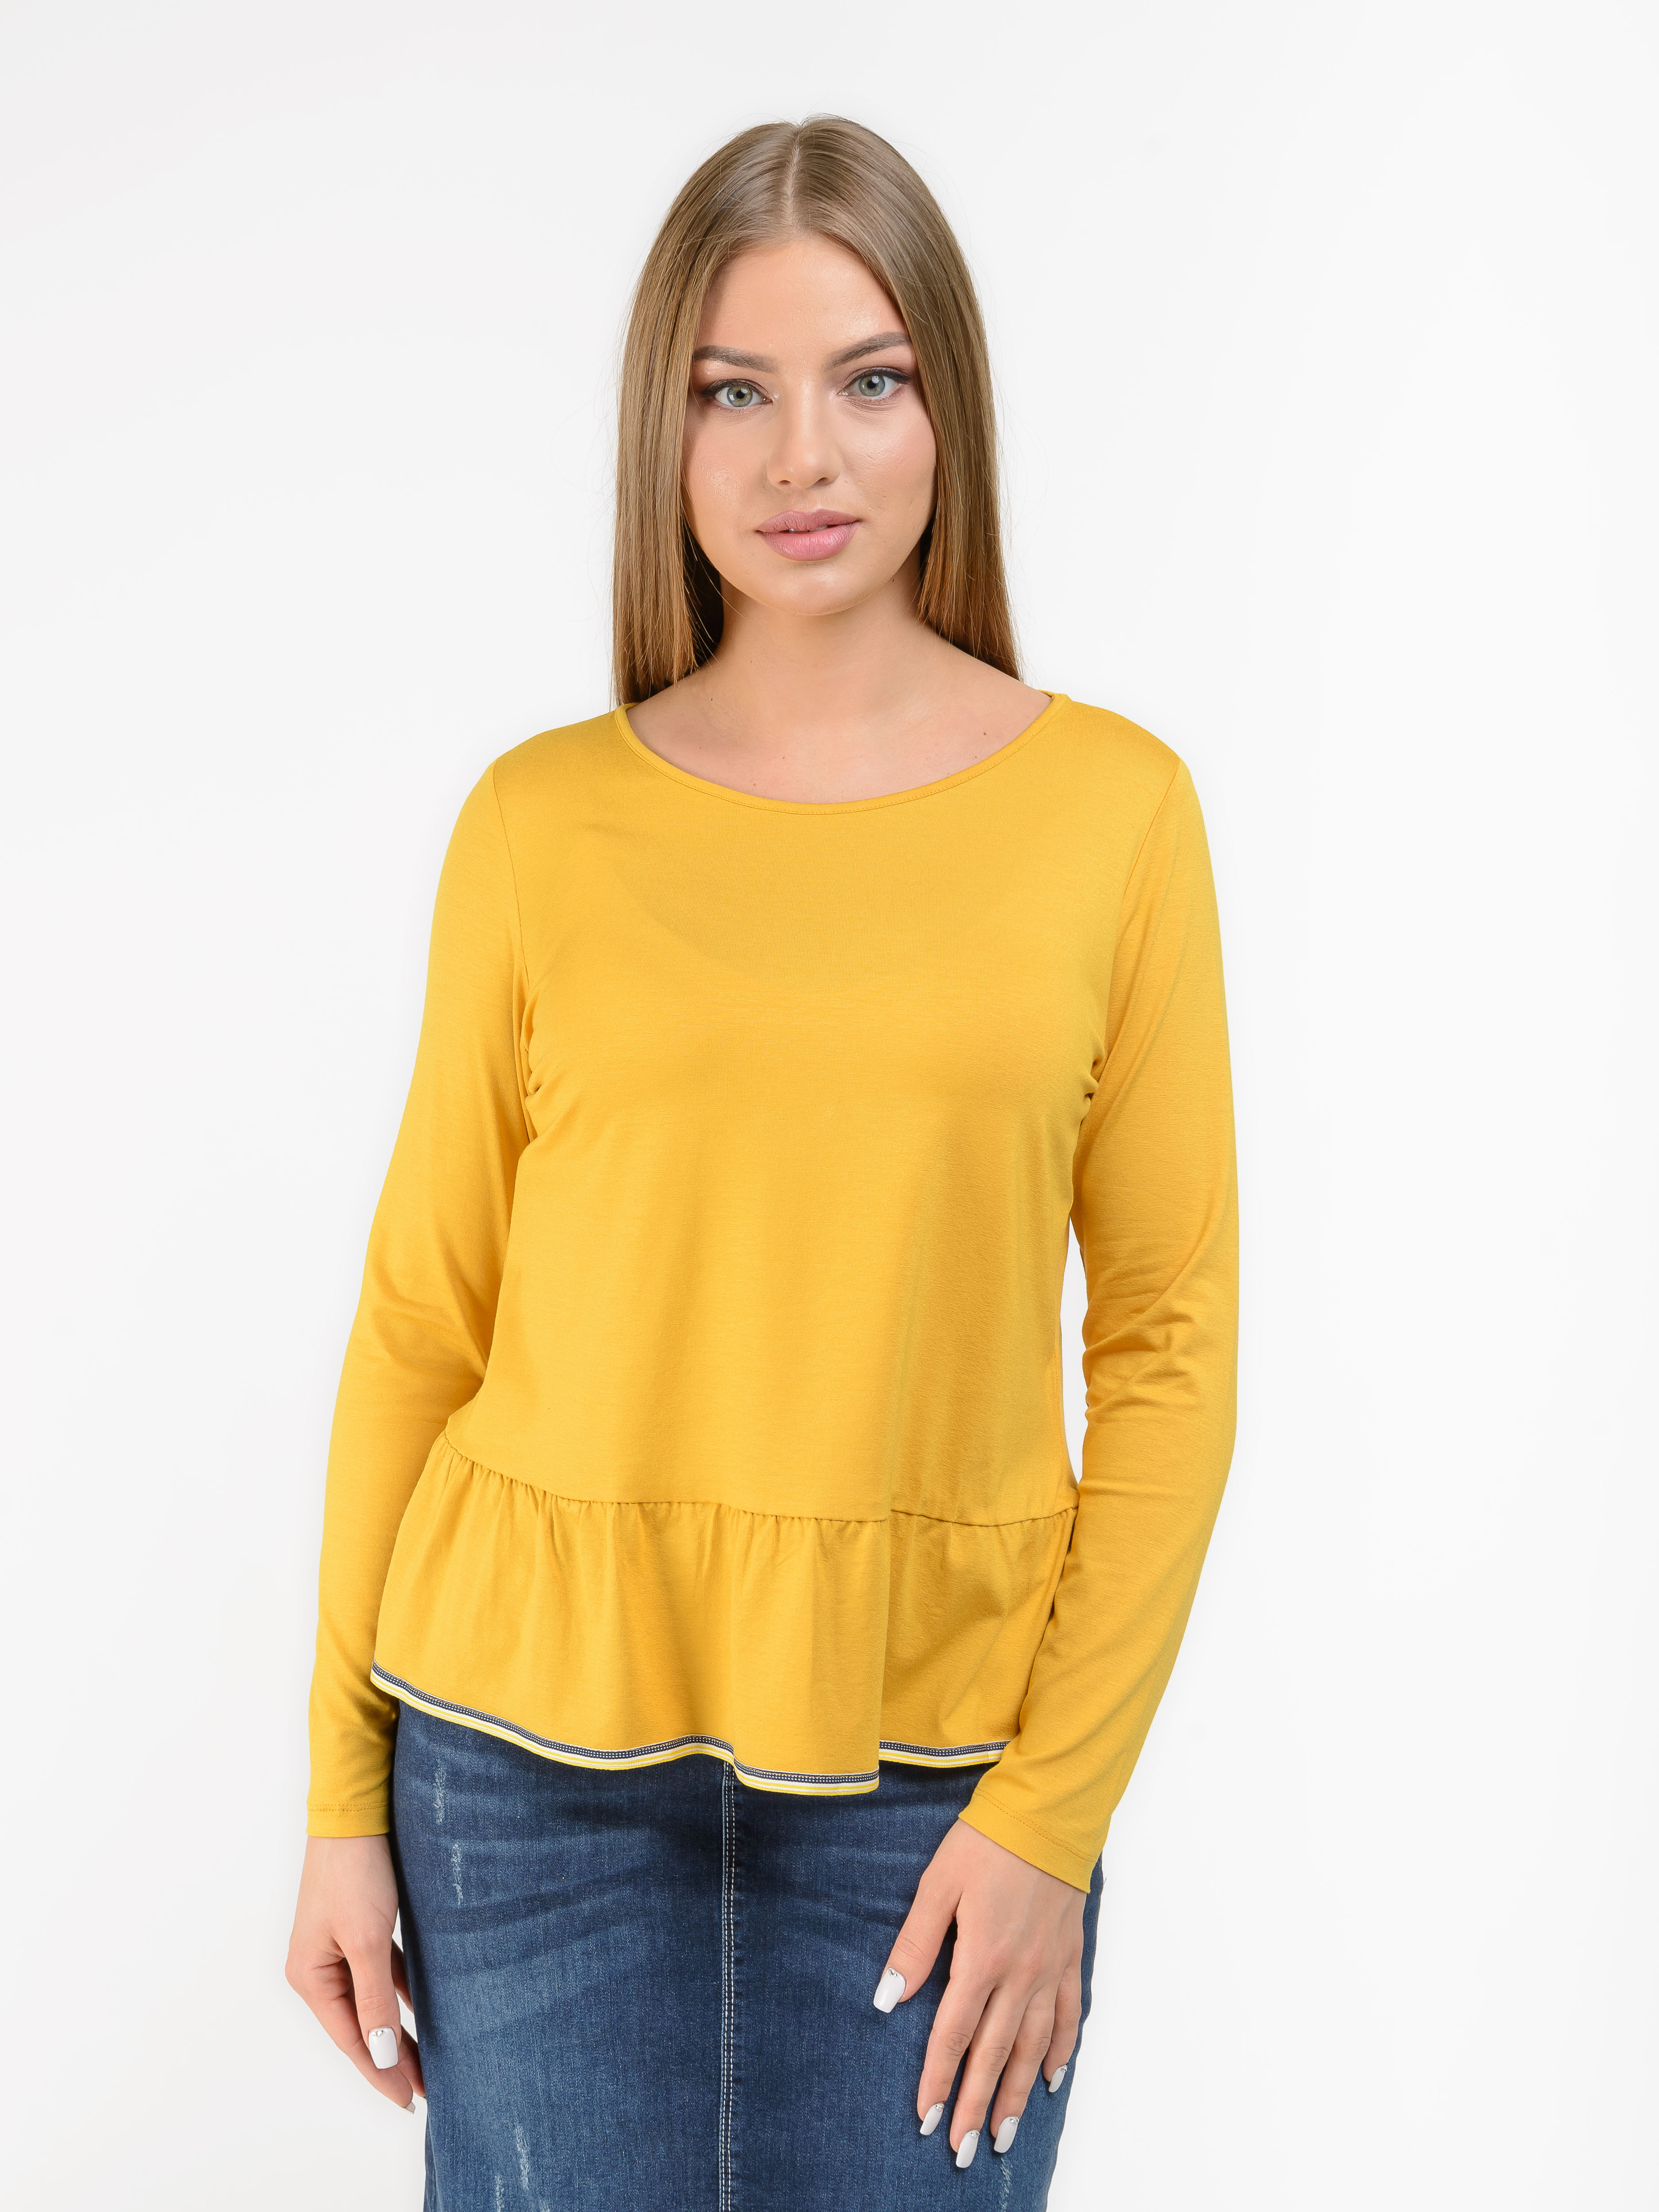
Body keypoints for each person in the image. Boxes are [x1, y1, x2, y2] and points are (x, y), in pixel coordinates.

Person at [285, 114, 1238, 2212]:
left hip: (943, 1792)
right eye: (735, 391)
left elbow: (1168, 1347)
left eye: (865, 380)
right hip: (518, 1786)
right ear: (668, 428)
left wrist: (1052, 1814)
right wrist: (341, 1795)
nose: (803, 454)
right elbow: (422, 1321)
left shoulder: (1115, 816)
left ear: (944, 410)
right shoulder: (536, 824)